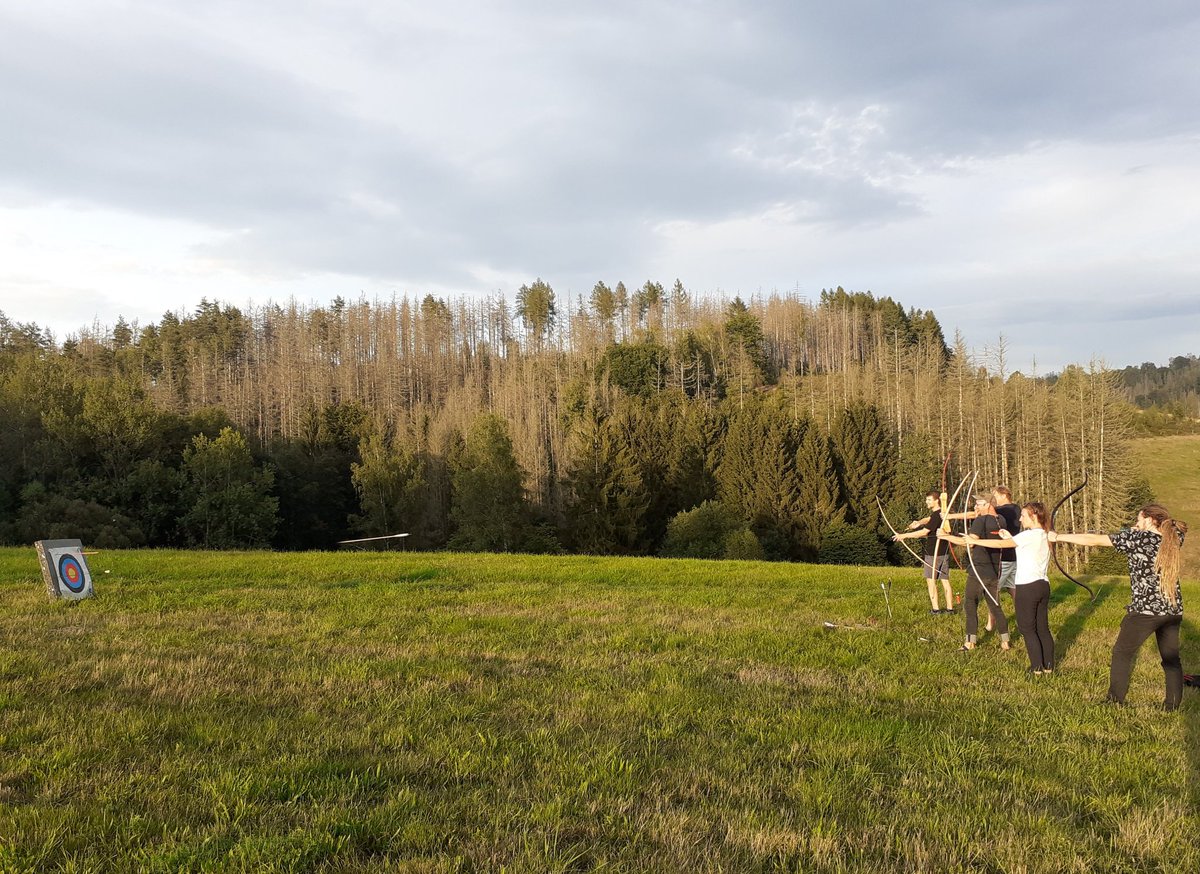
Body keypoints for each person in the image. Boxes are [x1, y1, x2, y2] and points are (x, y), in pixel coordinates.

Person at [1050, 504, 1187, 709]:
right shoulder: (1174, 538)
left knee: (1122, 653)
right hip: (1173, 610)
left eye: (1139, 519)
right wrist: (1136, 531)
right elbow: (1158, 535)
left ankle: (1115, 701)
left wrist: (1058, 537)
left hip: (1145, 611)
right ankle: (1172, 705)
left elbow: (1094, 540)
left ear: (1149, 520)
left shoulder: (1137, 539)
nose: (1135, 523)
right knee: (1171, 660)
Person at [941, 501, 1055, 674]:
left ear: (1033, 516)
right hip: (1043, 586)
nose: (1020, 518)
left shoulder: (1027, 536)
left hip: (1027, 587)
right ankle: (1049, 667)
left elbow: (1002, 545)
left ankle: (1036, 668)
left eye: (1023, 515)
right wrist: (1007, 535)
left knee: (1027, 629)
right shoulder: (1044, 535)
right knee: (1042, 628)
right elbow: (1016, 543)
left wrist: (976, 540)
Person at [940, 495, 1011, 651]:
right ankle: (1005, 641)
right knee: (995, 606)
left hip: (979, 569)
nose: (975, 508)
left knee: (970, 604)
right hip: (994, 571)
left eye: (979, 505)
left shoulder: (981, 521)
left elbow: (969, 543)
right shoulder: (1001, 520)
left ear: (989, 504)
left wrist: (945, 537)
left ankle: (970, 642)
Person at [893, 491, 954, 614]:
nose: (927, 502)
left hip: (933, 553)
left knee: (931, 581)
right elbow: (929, 519)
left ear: (937, 500)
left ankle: (936, 610)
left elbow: (924, 532)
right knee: (944, 580)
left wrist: (904, 536)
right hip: (943, 552)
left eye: (929, 500)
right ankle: (950, 609)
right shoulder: (941, 514)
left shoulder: (937, 515)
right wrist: (918, 522)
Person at [990, 486, 1021, 628]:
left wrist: (952, 516)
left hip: (1004, 557)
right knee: (1012, 587)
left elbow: (988, 513)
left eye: (996, 496)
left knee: (992, 590)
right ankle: (1022, 617)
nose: (995, 499)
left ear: (1003, 495)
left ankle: (991, 622)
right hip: (1013, 555)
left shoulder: (1006, 510)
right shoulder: (1016, 508)